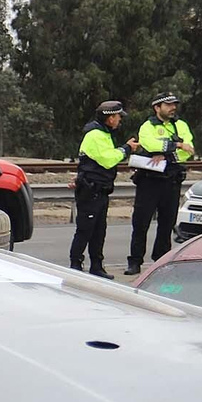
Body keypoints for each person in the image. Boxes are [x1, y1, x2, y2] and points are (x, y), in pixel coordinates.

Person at [127, 91, 195, 276]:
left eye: (174, 104)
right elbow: (150, 145)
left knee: (167, 224)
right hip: (149, 181)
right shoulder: (147, 126)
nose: (173, 108)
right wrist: (177, 145)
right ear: (157, 108)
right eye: (168, 105)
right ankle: (134, 261)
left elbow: (189, 150)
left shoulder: (181, 125)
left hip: (171, 181)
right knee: (140, 223)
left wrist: (165, 152)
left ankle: (161, 260)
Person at [68, 101, 139, 278]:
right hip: (90, 191)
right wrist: (127, 148)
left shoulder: (104, 134)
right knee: (85, 230)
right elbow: (108, 159)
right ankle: (75, 265)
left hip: (101, 190)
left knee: (99, 231)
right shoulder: (95, 135)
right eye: (118, 116)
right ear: (110, 117)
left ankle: (97, 266)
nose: (120, 120)